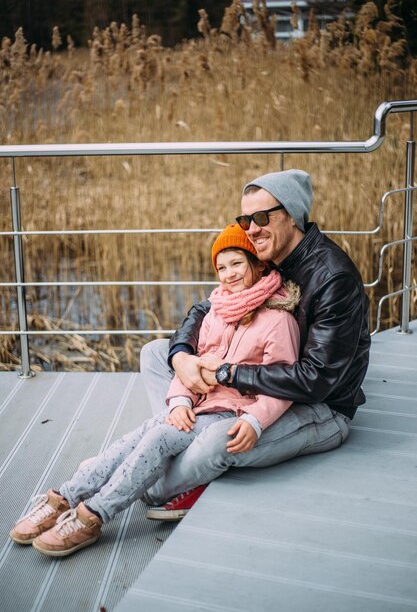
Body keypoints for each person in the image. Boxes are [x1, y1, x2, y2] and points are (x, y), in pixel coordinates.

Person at [9, 223, 300, 556]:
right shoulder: (217, 311)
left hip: (229, 413)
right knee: (135, 438)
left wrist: (254, 420)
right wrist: (178, 401)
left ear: (259, 264)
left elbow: (282, 384)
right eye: (221, 267)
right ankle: (63, 498)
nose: (228, 274)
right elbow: (192, 364)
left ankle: (92, 516)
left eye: (237, 263)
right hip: (200, 404)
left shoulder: (279, 321)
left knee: (158, 439)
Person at [140, 168, 371, 521]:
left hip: (320, 408)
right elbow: (208, 307)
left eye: (261, 217)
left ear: (292, 215)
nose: (251, 229)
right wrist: (183, 358)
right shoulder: (267, 257)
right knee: (157, 352)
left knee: (220, 441)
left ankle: (153, 481)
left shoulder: (332, 278)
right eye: (245, 219)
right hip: (253, 390)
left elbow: (316, 379)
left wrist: (228, 373)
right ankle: (179, 429)